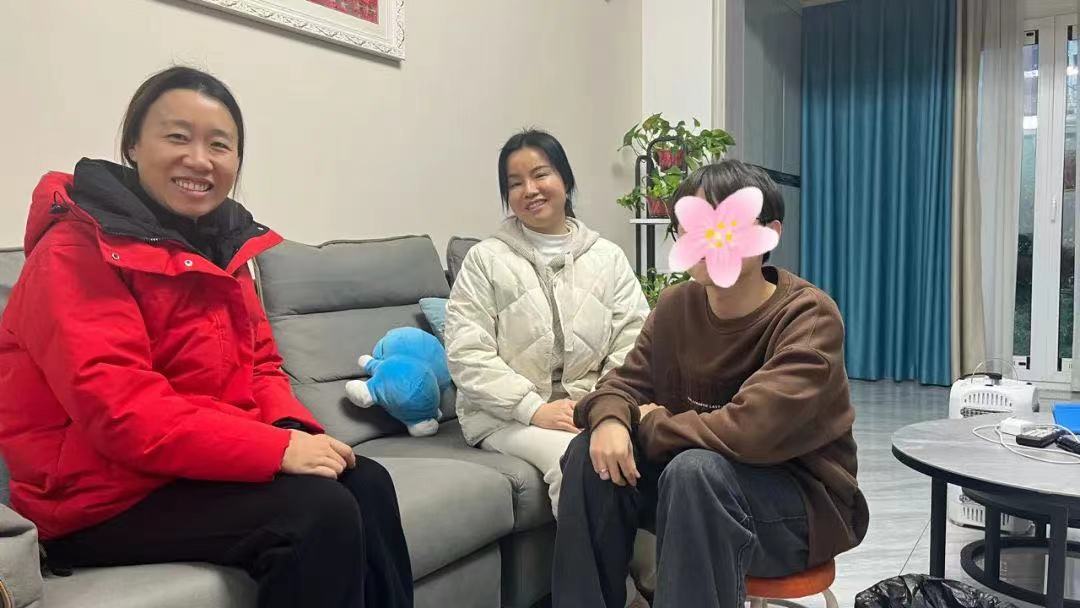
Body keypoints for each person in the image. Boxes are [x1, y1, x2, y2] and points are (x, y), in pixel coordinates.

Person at [0, 66, 412, 608]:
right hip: (97, 498)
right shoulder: (74, 251)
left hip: (187, 470)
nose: (200, 160)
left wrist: (292, 430)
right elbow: (121, 411)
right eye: (178, 137)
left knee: (368, 483)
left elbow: (261, 366)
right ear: (133, 145)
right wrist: (276, 450)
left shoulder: (221, 247)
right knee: (317, 513)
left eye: (219, 145)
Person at [551, 160, 870, 608]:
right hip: (694, 491)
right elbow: (621, 384)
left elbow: (751, 431)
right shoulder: (676, 306)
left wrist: (650, 423)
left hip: (798, 508)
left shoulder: (808, 316)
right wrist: (609, 419)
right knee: (590, 455)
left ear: (769, 233)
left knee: (695, 472)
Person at [444, 129, 649, 516]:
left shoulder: (608, 257)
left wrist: (601, 403)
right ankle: (585, 558)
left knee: (648, 445)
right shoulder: (485, 260)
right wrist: (533, 409)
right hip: (505, 416)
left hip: (589, 406)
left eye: (541, 175)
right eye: (515, 183)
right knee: (580, 459)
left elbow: (634, 341)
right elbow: (466, 353)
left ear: (565, 180)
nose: (530, 190)